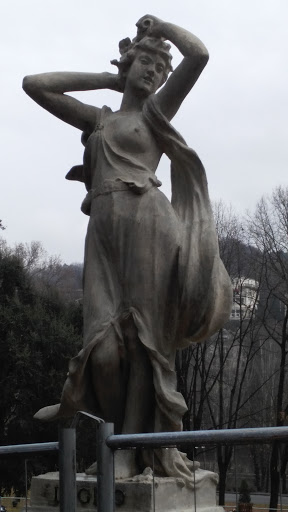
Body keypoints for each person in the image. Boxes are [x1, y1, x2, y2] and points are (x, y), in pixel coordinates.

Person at [23, 15, 232, 484]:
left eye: (161, 70)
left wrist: (163, 27)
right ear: (129, 62)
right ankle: (116, 439)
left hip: (148, 224)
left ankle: (127, 451)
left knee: (144, 344)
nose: (154, 74)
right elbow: (35, 85)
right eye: (147, 64)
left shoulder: (156, 114)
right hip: (101, 233)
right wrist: (108, 78)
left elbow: (197, 54)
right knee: (103, 351)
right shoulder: (99, 118)